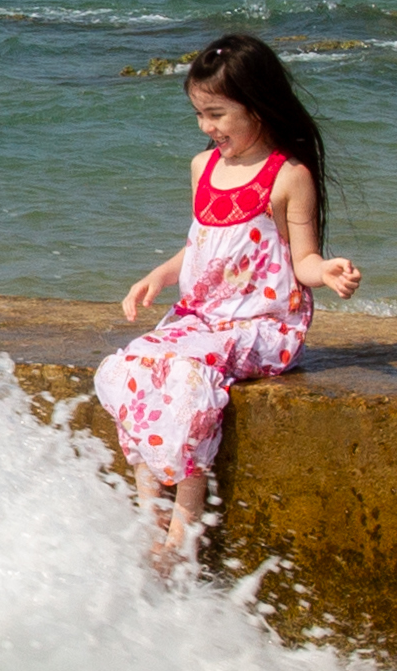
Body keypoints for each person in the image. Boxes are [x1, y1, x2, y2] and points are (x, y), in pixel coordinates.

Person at [97, 32, 360, 568]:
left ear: (257, 105)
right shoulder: (202, 168)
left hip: (261, 324)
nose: (207, 128)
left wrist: (327, 271)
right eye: (199, 115)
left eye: (216, 114)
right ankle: (150, 518)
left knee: (189, 378)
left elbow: (302, 260)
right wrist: (160, 276)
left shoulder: (289, 176)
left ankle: (182, 538)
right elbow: (201, 245)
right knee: (135, 366)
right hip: (200, 317)